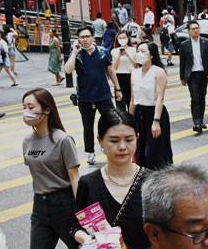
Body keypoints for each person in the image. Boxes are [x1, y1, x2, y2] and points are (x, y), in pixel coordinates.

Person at [73, 108, 150, 249]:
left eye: (129, 139)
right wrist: (87, 239)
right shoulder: (89, 183)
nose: (123, 147)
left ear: (137, 138)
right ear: (100, 141)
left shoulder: (153, 181)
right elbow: (75, 226)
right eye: (114, 141)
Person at [21, 88, 81, 249]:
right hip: (40, 207)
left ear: (46, 109)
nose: (26, 112)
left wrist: (83, 214)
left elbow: (74, 178)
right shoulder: (27, 141)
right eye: (24, 107)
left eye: (31, 107)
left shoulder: (62, 140)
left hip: (64, 204)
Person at [65, 25, 122, 165]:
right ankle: (90, 152)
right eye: (82, 37)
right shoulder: (77, 54)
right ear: (78, 39)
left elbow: (111, 71)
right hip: (85, 98)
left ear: (92, 37)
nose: (84, 40)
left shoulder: (102, 51)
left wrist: (118, 88)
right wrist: (73, 52)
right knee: (88, 126)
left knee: (111, 122)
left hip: (103, 95)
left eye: (87, 36)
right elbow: (68, 70)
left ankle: (108, 146)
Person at [129, 41, 173, 169]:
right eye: (138, 51)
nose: (139, 54)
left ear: (151, 55)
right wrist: (129, 121)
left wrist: (156, 121)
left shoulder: (158, 72)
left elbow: (160, 97)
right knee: (140, 151)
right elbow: (133, 99)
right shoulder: (134, 72)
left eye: (143, 51)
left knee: (155, 153)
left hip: (155, 113)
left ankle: (162, 182)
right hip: (139, 113)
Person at [178, 20, 208, 134]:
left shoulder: (206, 42)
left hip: (203, 74)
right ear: (188, 31)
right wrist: (182, 77)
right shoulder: (184, 45)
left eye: (197, 28)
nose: (196, 30)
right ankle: (197, 122)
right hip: (192, 75)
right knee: (195, 98)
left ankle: (201, 120)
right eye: (193, 29)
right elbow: (182, 62)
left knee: (202, 97)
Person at [110, 30, 136, 113]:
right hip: (119, 77)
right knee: (120, 103)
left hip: (131, 77)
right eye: (120, 38)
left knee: (131, 101)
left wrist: (127, 55)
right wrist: (119, 56)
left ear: (128, 38)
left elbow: (136, 65)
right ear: (117, 39)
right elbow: (114, 67)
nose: (122, 39)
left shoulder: (133, 50)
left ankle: (131, 121)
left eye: (124, 37)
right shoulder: (114, 51)